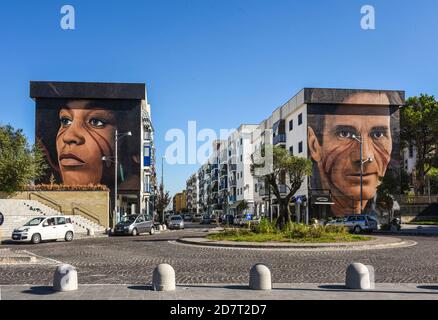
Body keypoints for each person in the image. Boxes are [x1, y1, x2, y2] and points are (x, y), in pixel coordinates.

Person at [307, 91, 395, 216]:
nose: (365, 156)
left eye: (378, 134)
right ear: (314, 146)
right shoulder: (312, 202)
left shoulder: (387, 204)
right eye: (344, 134)